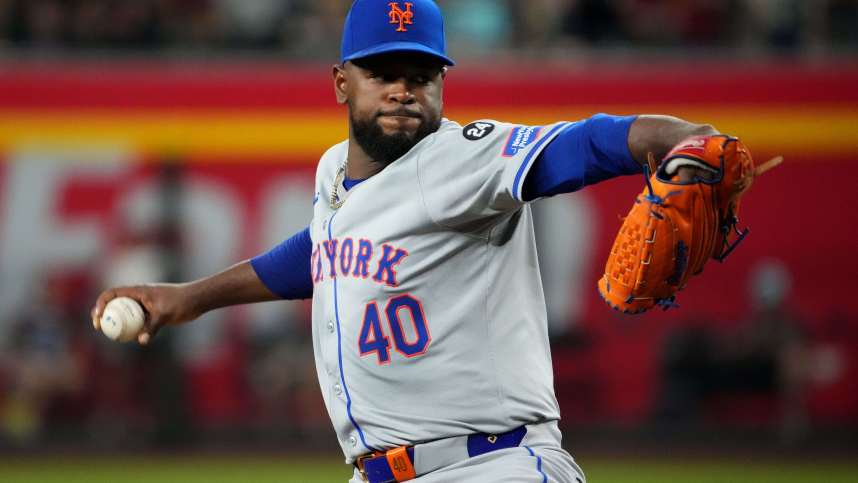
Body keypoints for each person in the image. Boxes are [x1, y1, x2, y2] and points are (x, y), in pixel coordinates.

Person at [92, 1, 721, 481]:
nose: (402, 89)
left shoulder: (466, 160)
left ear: (442, 85)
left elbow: (584, 145)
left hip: (490, 466)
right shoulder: (333, 171)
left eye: (420, 75)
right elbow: (321, 251)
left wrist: (683, 138)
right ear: (342, 82)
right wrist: (192, 298)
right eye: (382, 73)